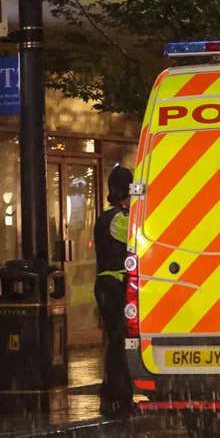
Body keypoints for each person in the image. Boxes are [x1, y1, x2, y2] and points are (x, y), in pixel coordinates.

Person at [95, 164, 133, 414]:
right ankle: (118, 397)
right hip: (115, 284)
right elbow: (136, 240)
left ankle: (113, 394)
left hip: (105, 284)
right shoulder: (120, 218)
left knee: (115, 341)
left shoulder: (104, 216)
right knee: (119, 341)